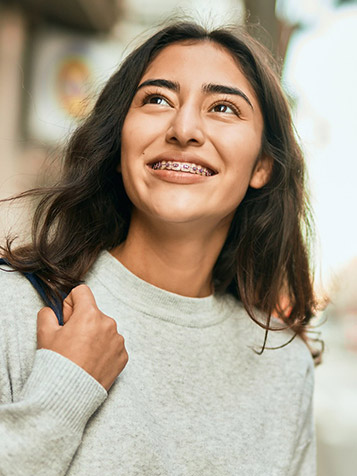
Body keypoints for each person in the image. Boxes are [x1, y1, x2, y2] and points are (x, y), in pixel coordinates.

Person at [0, 21, 319, 476]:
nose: (184, 128)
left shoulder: (285, 365)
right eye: (157, 99)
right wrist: (63, 392)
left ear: (262, 165)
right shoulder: (15, 305)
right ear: (120, 141)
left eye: (224, 107)